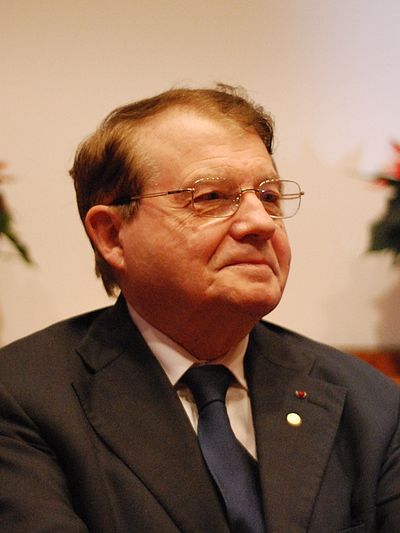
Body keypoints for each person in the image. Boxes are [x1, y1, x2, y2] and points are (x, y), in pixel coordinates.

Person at [0, 85, 399, 533]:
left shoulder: (370, 405)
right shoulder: (21, 399)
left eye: (269, 197)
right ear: (112, 235)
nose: (260, 223)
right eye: (211, 197)